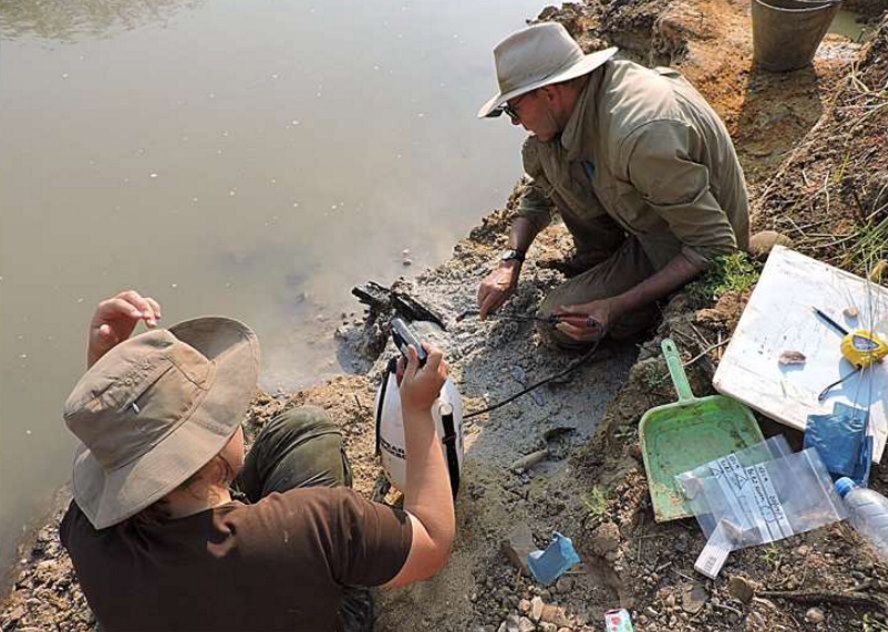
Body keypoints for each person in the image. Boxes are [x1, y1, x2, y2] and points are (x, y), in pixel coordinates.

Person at [59, 290, 455, 632]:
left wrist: (109, 379)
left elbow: (120, 457)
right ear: (213, 452)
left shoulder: (87, 533)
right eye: (223, 412)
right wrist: (417, 411)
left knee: (299, 427)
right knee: (312, 429)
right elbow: (433, 542)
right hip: (296, 607)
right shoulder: (315, 526)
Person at [476, 22, 749, 347]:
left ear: (549, 93)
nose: (515, 122)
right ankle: (605, 262)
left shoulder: (638, 134)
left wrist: (614, 306)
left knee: (555, 322)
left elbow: (714, 245)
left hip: (692, 247)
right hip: (658, 215)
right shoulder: (582, 100)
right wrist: (511, 261)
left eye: (514, 108)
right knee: (547, 151)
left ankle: (647, 309)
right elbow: (538, 194)